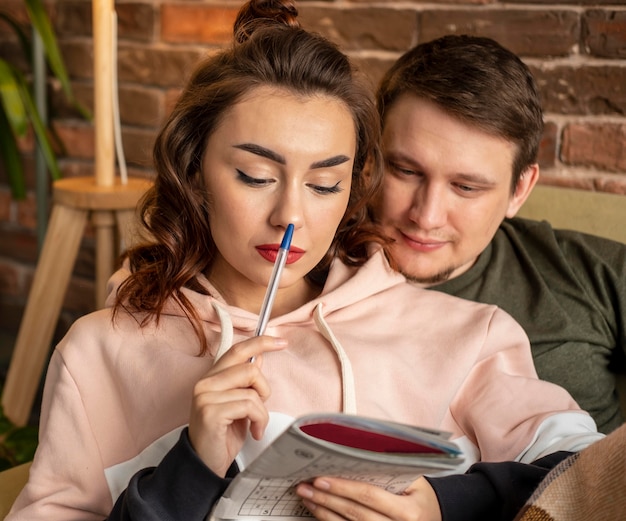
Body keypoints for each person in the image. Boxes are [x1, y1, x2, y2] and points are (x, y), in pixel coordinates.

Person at [8, 4, 602, 521]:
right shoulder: (99, 351)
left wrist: (444, 507)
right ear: (193, 170)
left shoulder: (471, 335)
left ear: (352, 189)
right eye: (256, 176)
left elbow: (592, 473)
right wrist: (188, 469)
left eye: (324, 183)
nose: (289, 215)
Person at [372, 34, 626, 435]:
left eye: (466, 187)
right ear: (371, 159)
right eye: (406, 171)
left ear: (520, 190)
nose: (426, 215)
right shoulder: (306, 272)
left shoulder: (595, 273)